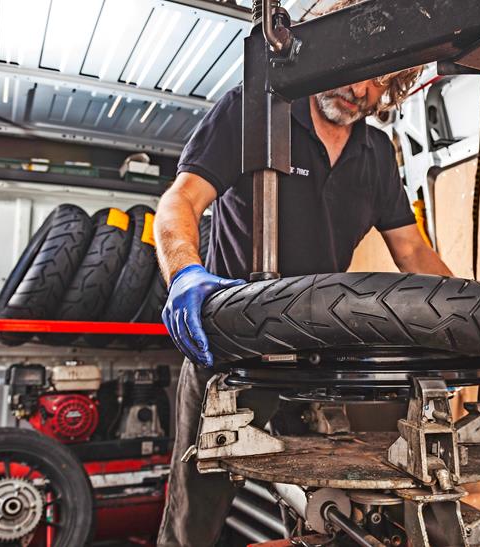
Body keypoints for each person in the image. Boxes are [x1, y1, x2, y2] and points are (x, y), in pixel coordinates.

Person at [154, 46, 454, 546]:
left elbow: (412, 250)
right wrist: (185, 274)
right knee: (195, 518)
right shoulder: (251, 112)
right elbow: (180, 200)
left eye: (379, 84)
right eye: (356, 72)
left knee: (334, 508)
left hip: (320, 357)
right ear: (328, 55)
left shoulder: (376, 154)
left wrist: (468, 319)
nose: (361, 92)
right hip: (232, 353)